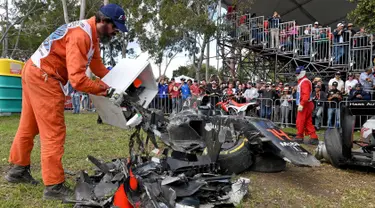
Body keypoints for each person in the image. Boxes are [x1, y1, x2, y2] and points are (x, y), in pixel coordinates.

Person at [5, 4, 128, 200]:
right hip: (46, 76)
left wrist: (121, 82)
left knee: (28, 125)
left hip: (34, 70)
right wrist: (105, 89)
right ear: (103, 21)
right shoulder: (81, 36)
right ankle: (54, 186)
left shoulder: (91, 36)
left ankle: (17, 170)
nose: (115, 33)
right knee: (54, 132)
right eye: (115, 28)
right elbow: (78, 80)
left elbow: (98, 67)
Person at [294, 66, 319, 145]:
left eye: (297, 73)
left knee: (300, 121)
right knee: (308, 122)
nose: (296, 75)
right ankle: (314, 137)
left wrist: (302, 104)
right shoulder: (303, 81)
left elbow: (306, 94)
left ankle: (299, 136)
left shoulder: (304, 82)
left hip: (305, 104)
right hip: (307, 104)